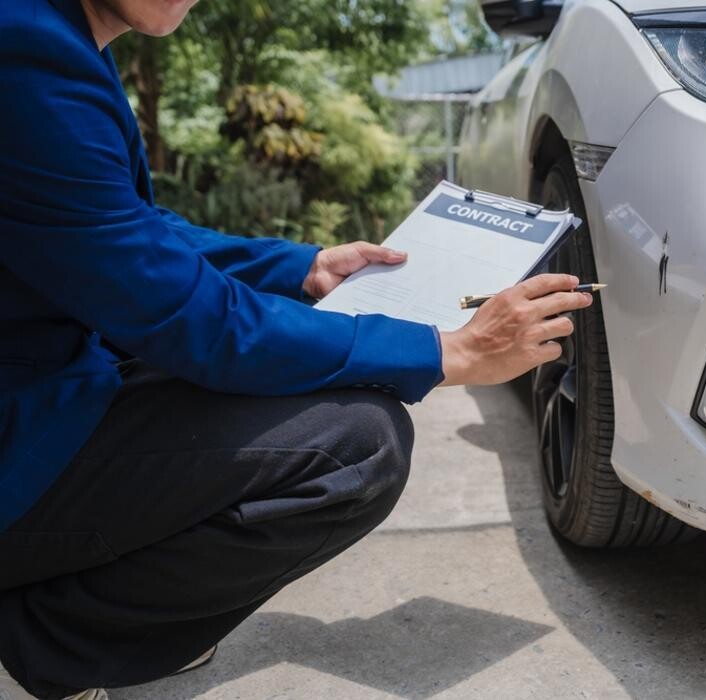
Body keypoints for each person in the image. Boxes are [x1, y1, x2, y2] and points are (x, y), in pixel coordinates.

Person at [0, 1, 592, 698]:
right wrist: (442, 351)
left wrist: (300, 267)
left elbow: (123, 230)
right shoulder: (25, 52)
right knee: (351, 445)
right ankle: (37, 646)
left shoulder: (57, 36)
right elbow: (195, 323)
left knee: (287, 385)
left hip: (43, 373)